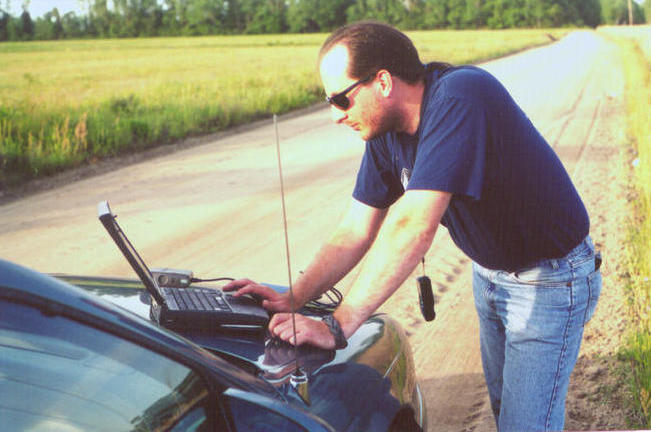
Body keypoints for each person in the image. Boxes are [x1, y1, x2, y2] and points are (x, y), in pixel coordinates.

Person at [223, 21, 602, 431]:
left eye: (341, 99)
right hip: (489, 275)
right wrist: (291, 298)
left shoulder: (461, 96)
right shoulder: (385, 133)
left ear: (383, 81)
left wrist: (337, 325)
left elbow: (412, 225)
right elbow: (355, 229)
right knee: (503, 411)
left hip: (549, 280)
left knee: (527, 425)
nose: (335, 116)